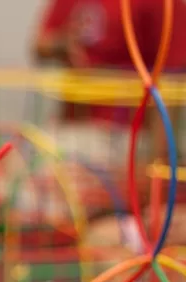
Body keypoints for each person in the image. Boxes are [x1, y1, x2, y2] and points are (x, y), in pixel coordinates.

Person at [32, 0, 186, 164]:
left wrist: (158, 163)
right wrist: (61, 45)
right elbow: (40, 44)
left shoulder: (164, 5)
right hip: (71, 128)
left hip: (127, 137)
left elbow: (171, 79)